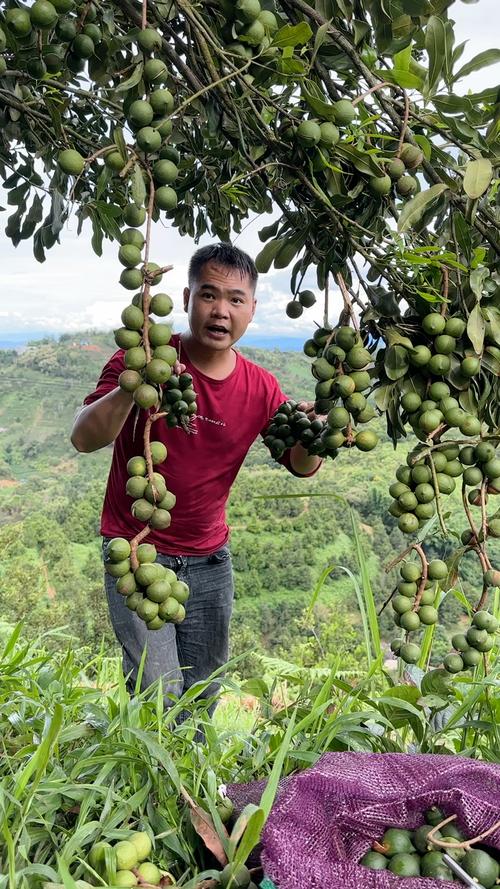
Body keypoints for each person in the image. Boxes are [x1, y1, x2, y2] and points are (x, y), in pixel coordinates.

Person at [71, 242, 322, 714]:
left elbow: (301, 463)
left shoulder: (261, 387)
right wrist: (135, 381)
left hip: (209, 563)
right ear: (186, 299)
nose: (220, 310)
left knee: (202, 696)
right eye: (209, 295)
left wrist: (317, 430)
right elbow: (84, 438)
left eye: (235, 299)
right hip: (136, 549)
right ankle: (154, 784)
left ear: (251, 310)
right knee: (157, 698)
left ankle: (191, 785)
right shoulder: (144, 358)